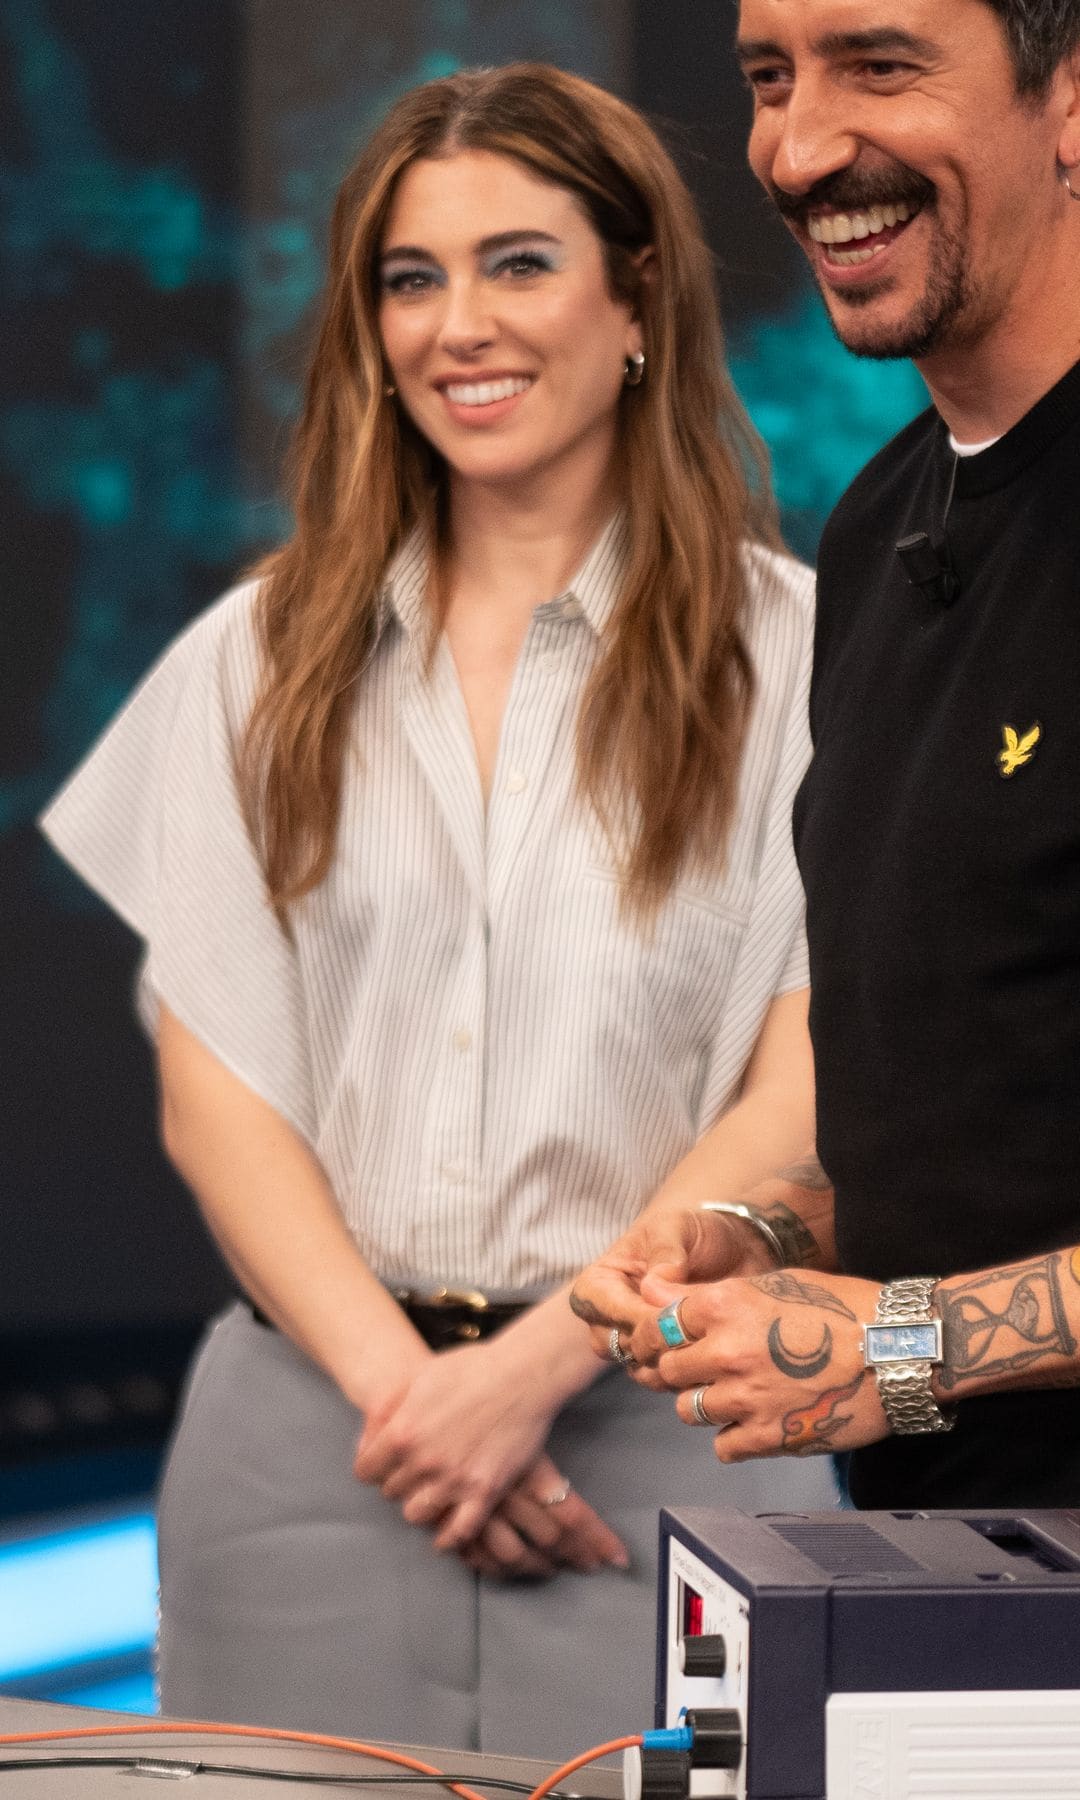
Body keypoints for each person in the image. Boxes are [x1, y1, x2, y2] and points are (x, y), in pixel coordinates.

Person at [41, 63, 836, 1756]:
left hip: (677, 1446)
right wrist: (425, 1406)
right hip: (312, 1452)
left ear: (638, 304)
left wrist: (531, 1371)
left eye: (519, 263)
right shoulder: (251, 661)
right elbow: (218, 1092)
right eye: (413, 277)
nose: (456, 324)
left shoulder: (810, 664)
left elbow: (798, 1096)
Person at [570, 0, 1080, 1510]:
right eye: (770, 81)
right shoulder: (875, 528)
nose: (799, 151)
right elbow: (991, 1113)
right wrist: (778, 1235)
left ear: (1069, 97)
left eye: (880, 65)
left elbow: (918, 1334)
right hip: (947, 1599)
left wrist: (910, 1347)